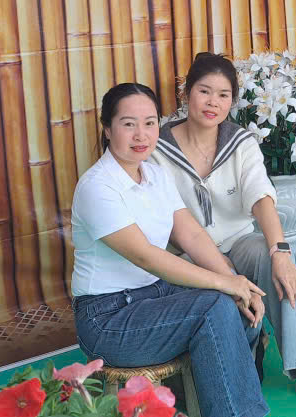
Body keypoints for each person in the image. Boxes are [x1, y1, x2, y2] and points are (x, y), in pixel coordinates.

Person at [149, 54, 296, 413]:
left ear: (232, 101)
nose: (213, 102)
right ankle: (250, 352)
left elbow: (261, 196)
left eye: (223, 95)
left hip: (238, 241)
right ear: (186, 94)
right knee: (220, 294)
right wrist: (228, 276)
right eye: (204, 91)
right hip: (186, 255)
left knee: (284, 265)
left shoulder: (240, 141)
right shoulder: (158, 148)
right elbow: (175, 225)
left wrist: (280, 253)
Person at [71, 83, 270, 417]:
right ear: (107, 129)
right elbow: (147, 256)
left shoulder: (155, 174)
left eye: (150, 123)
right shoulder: (97, 187)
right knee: (216, 304)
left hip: (155, 295)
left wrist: (236, 281)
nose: (141, 134)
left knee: (238, 305)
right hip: (108, 319)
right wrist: (225, 283)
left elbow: (191, 234)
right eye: (128, 124)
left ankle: (220, 400)